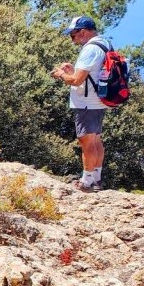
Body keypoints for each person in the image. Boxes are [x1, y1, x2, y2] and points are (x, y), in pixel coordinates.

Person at [51, 16, 111, 192]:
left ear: (83, 32)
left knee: (86, 142)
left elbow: (76, 81)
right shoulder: (104, 44)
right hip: (99, 100)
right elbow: (90, 75)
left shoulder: (90, 49)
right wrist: (71, 71)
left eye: (73, 35)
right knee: (96, 140)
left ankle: (86, 182)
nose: (73, 40)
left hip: (86, 103)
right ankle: (97, 179)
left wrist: (61, 74)